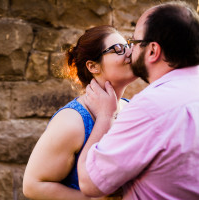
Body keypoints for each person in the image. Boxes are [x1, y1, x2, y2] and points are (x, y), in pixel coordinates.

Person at [77, 1, 199, 200]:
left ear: (152, 51)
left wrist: (105, 116)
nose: (129, 52)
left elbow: (90, 182)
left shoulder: (152, 106)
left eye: (133, 43)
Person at [22, 25, 136, 200]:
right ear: (93, 66)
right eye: (119, 49)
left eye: (128, 46)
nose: (130, 53)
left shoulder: (131, 109)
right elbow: (33, 186)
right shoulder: (72, 121)